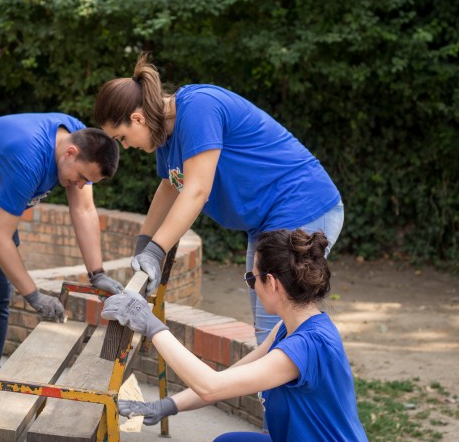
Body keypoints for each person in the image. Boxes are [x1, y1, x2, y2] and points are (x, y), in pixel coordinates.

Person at [94, 54, 344, 345]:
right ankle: (280, 388)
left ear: (137, 119)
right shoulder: (165, 134)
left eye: (122, 137)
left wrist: (156, 251)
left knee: (276, 331)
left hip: (301, 205)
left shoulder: (199, 107)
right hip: (267, 221)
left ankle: (300, 386)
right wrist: (144, 246)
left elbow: (196, 191)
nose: (126, 146)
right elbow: (170, 187)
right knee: (269, 332)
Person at [0, 113, 123, 417]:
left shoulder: (83, 141)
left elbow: (83, 209)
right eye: (82, 177)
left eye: (88, 181)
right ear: (70, 153)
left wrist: (98, 274)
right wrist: (33, 295)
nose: (81, 186)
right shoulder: (26, 157)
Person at [102, 229, 368, 441]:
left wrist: (151, 325)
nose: (252, 286)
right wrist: (165, 406)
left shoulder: (305, 347)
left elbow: (211, 387)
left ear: (272, 283)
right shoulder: (291, 327)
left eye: (253, 279)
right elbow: (222, 382)